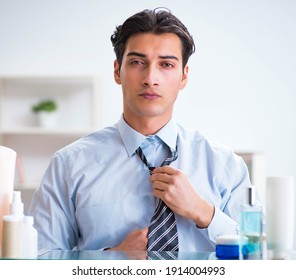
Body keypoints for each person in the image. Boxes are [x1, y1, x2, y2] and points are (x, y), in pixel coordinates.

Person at [29, 8, 251, 253]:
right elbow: (41, 260)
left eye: (166, 64)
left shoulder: (226, 165)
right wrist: (110, 260)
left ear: (184, 77)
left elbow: (256, 258)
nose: (150, 78)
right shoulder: (68, 165)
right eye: (137, 62)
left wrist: (204, 212)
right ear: (117, 71)